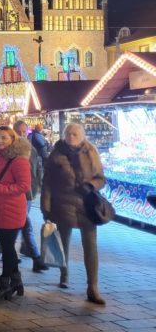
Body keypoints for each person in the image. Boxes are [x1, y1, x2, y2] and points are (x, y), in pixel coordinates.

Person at [41, 123, 107, 305]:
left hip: (87, 205)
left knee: (91, 245)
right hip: (63, 204)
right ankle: (64, 274)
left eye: (75, 134)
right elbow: (47, 183)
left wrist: (91, 185)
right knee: (63, 241)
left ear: (82, 136)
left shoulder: (90, 152)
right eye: (68, 133)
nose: (71, 136)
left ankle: (92, 286)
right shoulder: (56, 154)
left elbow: (101, 178)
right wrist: (46, 207)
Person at [0, 126, 31, 301]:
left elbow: (24, 186)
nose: (0, 141)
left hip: (12, 208)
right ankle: (16, 281)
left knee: (7, 248)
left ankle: (4, 284)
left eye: (4, 137)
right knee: (7, 246)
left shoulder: (19, 160)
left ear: (13, 139)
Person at [14, 120, 48, 273]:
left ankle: (28, 253)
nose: (22, 134)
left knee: (23, 223)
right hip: (15, 193)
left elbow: (37, 170)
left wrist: (36, 188)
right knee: (24, 224)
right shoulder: (11, 149)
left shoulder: (31, 149)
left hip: (27, 193)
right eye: (19, 131)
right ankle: (35, 257)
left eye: (24, 131)